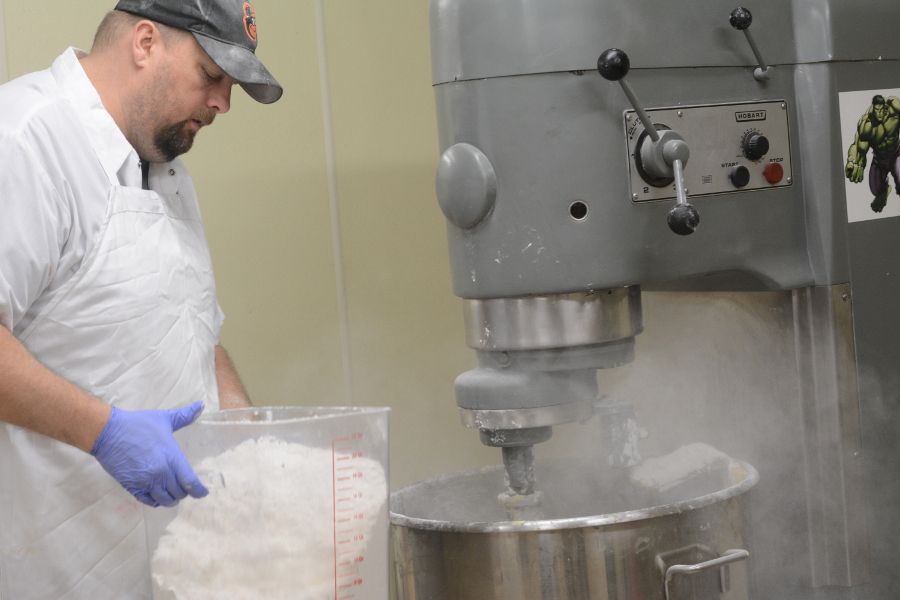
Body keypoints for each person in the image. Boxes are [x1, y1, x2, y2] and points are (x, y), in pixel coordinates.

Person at [0, 0, 282, 597]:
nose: (222, 105)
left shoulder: (165, 168)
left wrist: (246, 437)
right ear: (146, 43)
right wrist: (105, 432)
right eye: (211, 77)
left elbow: (192, 329)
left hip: (166, 571)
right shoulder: (26, 140)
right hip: (52, 571)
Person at [845, 94, 900, 213]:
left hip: (896, 154)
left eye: (881, 110)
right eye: (876, 110)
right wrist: (853, 160)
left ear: (885, 107)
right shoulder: (867, 125)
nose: (879, 114)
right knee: (875, 191)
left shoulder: (894, 113)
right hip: (879, 159)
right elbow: (857, 145)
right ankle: (886, 188)